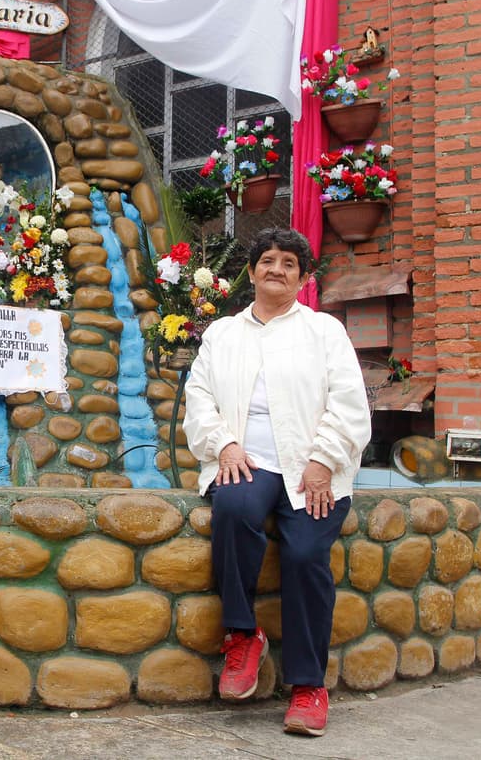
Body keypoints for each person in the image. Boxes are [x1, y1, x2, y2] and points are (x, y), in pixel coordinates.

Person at [182, 227, 371, 738]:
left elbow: (349, 403)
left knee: (305, 554)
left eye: (290, 263)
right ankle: (243, 635)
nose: (277, 269)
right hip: (246, 458)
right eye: (268, 260)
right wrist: (223, 443)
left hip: (314, 468)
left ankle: (308, 687)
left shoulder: (324, 332)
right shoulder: (223, 334)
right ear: (251, 272)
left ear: (303, 278)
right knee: (236, 510)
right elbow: (198, 397)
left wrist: (323, 460)